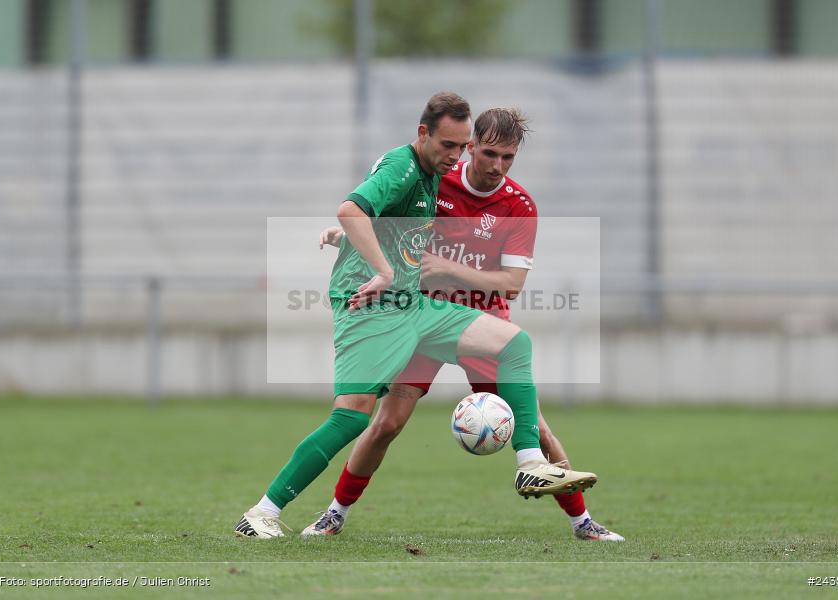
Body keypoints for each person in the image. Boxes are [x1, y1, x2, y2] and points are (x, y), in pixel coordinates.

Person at [235, 93, 596, 539]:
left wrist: (427, 262)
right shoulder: (426, 172)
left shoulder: (506, 200)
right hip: (396, 307)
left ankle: (575, 514)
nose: (492, 164)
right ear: (440, 138)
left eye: (506, 156)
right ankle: (304, 513)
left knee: (525, 388)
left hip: (450, 311)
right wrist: (356, 241)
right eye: (480, 151)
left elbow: (508, 283)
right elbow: (361, 210)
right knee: (373, 421)